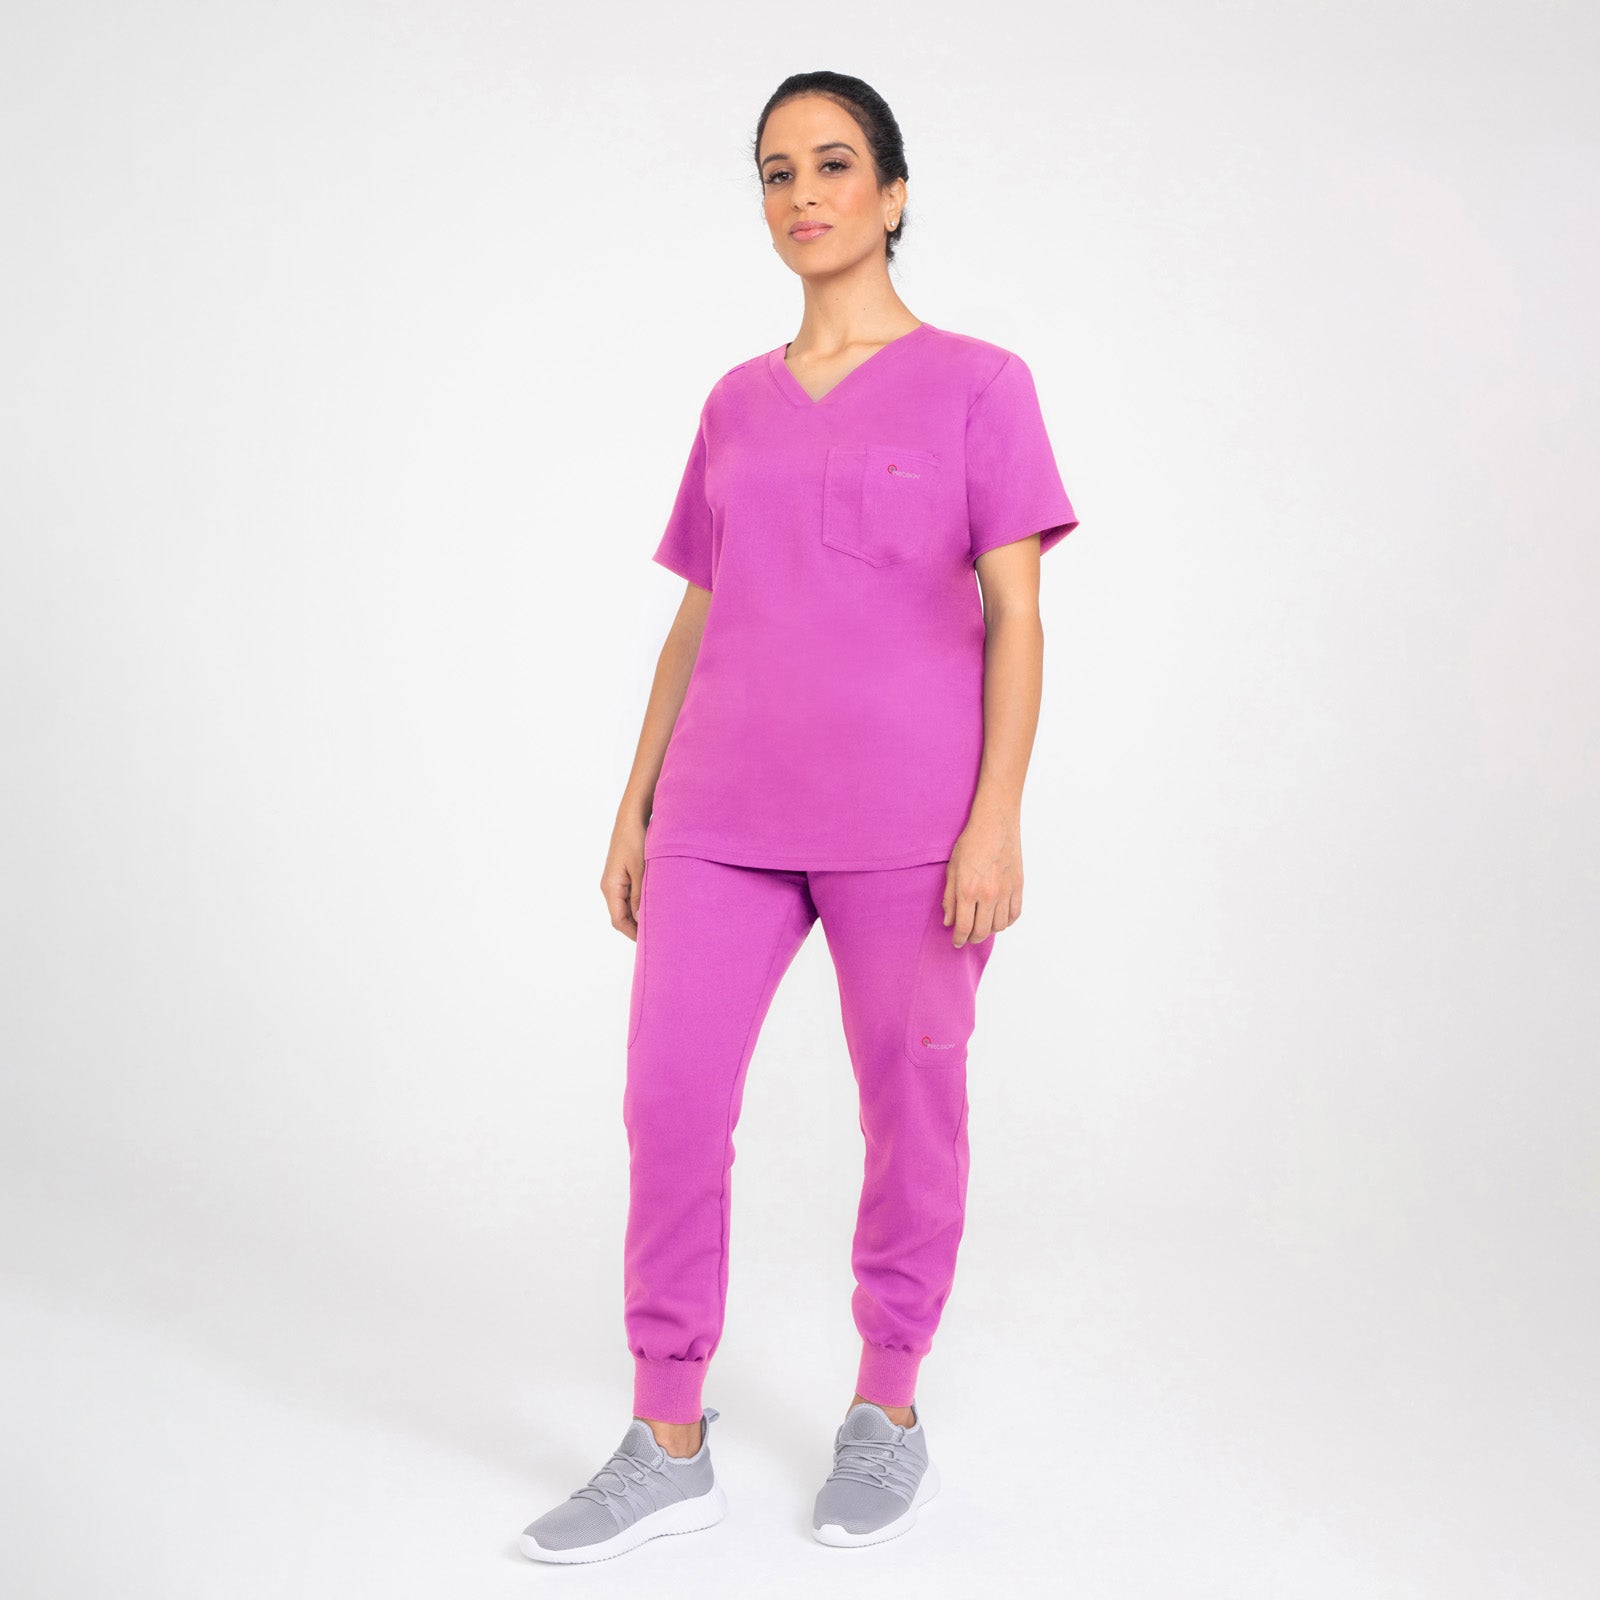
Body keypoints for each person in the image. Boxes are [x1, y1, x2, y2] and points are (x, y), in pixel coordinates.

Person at [520, 70, 1079, 1564]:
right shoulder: (734, 402)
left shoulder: (981, 385)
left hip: (912, 824)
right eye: (776, 172)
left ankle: (887, 1411)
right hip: (720, 815)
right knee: (668, 1104)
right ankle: (666, 1438)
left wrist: (997, 819)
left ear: (892, 194)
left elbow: (1018, 616)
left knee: (911, 1109)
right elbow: (701, 614)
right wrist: (637, 803)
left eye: (834, 165)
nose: (804, 194)